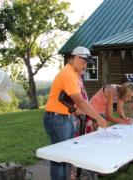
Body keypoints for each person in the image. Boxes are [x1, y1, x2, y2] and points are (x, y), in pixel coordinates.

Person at [43, 46, 108, 180]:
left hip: (64, 118)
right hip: (58, 119)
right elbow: (81, 102)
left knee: (66, 155)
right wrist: (98, 118)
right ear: (76, 58)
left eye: (86, 64)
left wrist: (77, 109)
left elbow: (72, 99)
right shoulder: (69, 74)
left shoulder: (74, 74)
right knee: (60, 156)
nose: (85, 67)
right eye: (83, 63)